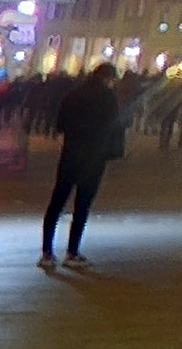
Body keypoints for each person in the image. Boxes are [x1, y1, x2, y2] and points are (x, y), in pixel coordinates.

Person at [38, 63, 120, 266]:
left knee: (57, 203)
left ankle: (47, 253)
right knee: (82, 206)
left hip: (71, 154)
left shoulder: (73, 95)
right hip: (93, 158)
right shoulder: (108, 98)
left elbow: (60, 124)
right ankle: (72, 253)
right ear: (108, 78)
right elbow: (114, 127)